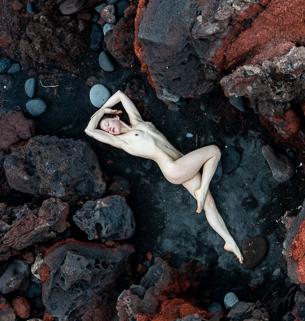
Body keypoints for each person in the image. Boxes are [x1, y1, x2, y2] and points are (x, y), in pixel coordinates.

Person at [85, 90, 243, 263]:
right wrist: (102, 112)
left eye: (107, 123)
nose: (108, 129)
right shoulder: (122, 141)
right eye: (106, 130)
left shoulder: (137, 121)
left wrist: (107, 109)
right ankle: (203, 189)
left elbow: (120, 95)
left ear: (116, 116)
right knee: (214, 151)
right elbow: (89, 130)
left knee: (209, 204)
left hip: (182, 163)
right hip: (173, 168)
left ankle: (229, 241)